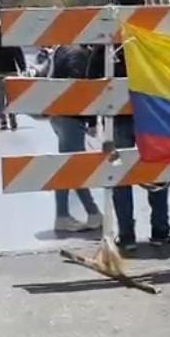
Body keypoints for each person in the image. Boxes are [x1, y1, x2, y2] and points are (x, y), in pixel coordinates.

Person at [89, 0, 170, 249]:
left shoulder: (111, 36)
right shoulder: (151, 35)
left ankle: (127, 236)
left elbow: (91, 74)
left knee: (121, 175)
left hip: (118, 118)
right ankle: (160, 230)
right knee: (157, 168)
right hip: (151, 114)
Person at [45, 43, 104, 232]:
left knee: (68, 165)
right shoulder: (79, 54)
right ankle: (90, 213)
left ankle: (65, 214)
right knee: (73, 168)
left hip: (58, 116)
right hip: (71, 118)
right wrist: (92, 121)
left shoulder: (62, 49)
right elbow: (81, 90)